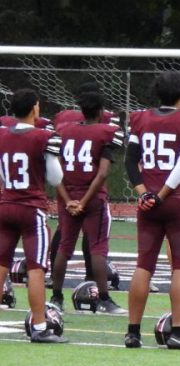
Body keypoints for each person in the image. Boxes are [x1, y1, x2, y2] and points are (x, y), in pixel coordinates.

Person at [124, 72, 180, 350]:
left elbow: (130, 161)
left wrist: (144, 194)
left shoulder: (139, 118)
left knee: (144, 264)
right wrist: (160, 196)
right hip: (175, 199)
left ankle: (132, 332)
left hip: (147, 200)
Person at [51, 89, 125, 314]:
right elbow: (102, 173)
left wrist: (68, 200)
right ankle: (104, 298)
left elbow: (54, 171)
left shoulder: (63, 130)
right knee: (98, 248)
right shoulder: (108, 132)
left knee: (64, 247)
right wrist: (83, 201)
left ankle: (56, 297)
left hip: (67, 196)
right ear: (101, 112)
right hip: (93, 198)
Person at [0, 89, 65, 343]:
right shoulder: (44, 137)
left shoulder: (3, 135)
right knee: (36, 268)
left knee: (1, 263)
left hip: (5, 204)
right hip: (31, 208)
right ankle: (39, 326)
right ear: (34, 109)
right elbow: (55, 178)